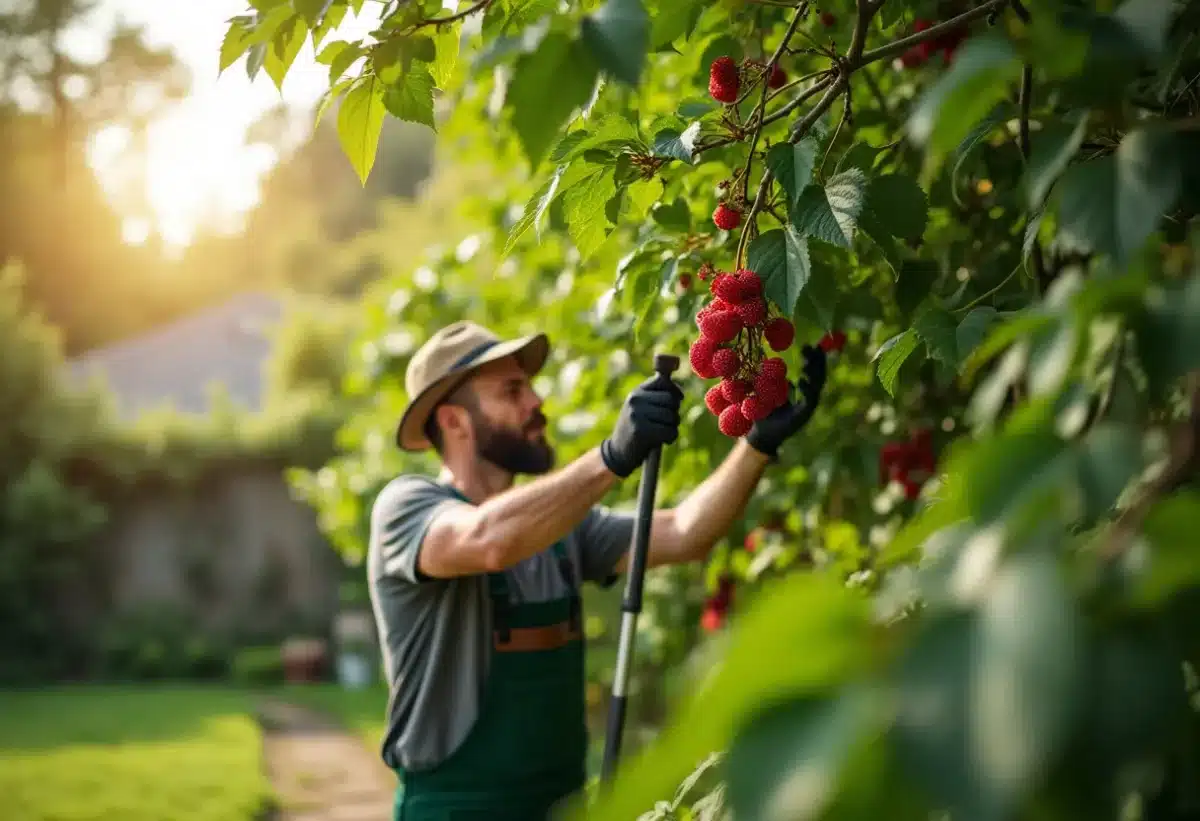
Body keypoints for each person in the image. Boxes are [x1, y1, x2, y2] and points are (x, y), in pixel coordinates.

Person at [368, 320, 827, 821]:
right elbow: (487, 540)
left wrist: (756, 444)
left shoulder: (564, 528)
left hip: (564, 805)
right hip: (455, 809)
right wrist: (610, 457)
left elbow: (685, 533)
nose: (536, 403)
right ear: (455, 421)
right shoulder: (406, 507)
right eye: (512, 390)